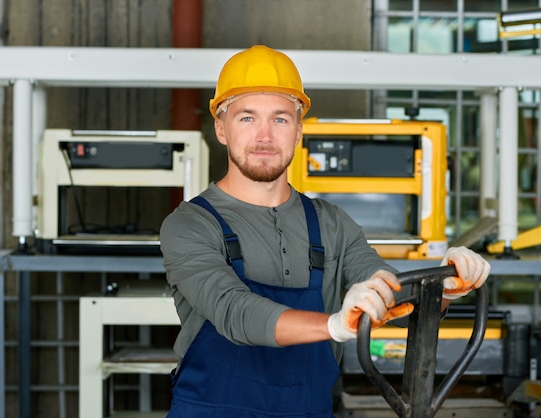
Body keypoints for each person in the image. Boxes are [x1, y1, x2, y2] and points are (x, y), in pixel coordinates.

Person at [160, 44, 491, 418]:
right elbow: (234, 311)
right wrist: (334, 324)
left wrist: (442, 289)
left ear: (299, 130)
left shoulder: (332, 223)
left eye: (281, 119)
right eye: (247, 118)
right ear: (221, 128)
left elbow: (388, 289)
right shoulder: (190, 224)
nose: (265, 136)